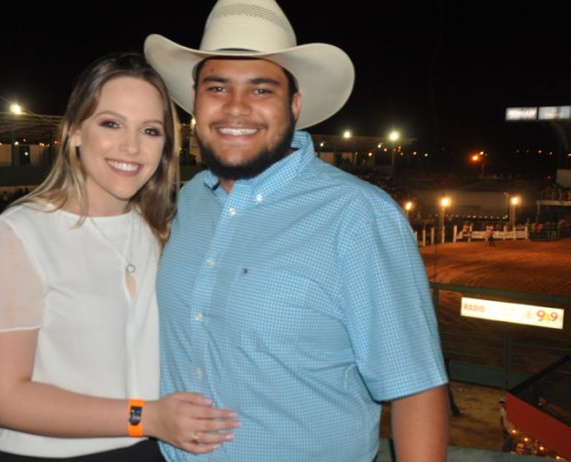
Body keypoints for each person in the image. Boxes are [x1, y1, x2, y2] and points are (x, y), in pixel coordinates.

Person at [145, 1, 450, 461]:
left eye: (261, 89)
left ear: (294, 104)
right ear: (195, 101)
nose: (236, 107)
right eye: (217, 87)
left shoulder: (358, 216)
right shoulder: (191, 202)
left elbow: (416, 388)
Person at [0, 53, 238, 462]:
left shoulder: (161, 233)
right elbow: (1, 399)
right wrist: (145, 418)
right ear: (75, 131)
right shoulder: (19, 234)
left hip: (152, 451)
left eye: (150, 130)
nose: (131, 146)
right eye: (111, 124)